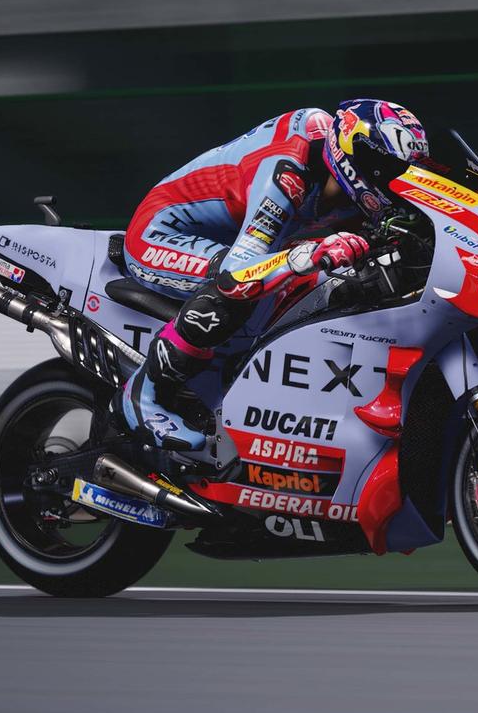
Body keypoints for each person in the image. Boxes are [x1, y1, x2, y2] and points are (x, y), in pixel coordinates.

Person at [115, 98, 429, 450]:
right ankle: (141, 396)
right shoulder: (289, 170)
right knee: (235, 292)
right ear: (351, 153)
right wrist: (311, 253)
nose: (392, 179)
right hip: (160, 234)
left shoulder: (342, 181)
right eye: (385, 168)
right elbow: (236, 275)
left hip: (232, 241)